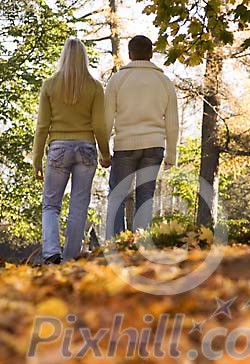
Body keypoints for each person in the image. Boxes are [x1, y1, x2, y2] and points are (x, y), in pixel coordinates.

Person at [33, 37, 111, 264]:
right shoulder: (95, 87)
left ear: (64, 57)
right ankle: (70, 258)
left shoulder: (50, 85)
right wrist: (105, 154)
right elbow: (99, 126)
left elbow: (42, 126)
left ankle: (51, 254)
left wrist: (36, 159)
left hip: (58, 149)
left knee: (51, 204)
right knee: (78, 205)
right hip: (86, 149)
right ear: (84, 58)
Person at [104, 35, 179, 238]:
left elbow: (106, 120)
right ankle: (141, 242)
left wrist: (103, 151)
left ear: (130, 54)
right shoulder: (164, 82)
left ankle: (115, 243)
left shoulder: (117, 80)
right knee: (145, 196)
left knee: (117, 196)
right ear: (151, 54)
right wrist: (171, 155)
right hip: (154, 146)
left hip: (124, 146)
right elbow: (172, 122)